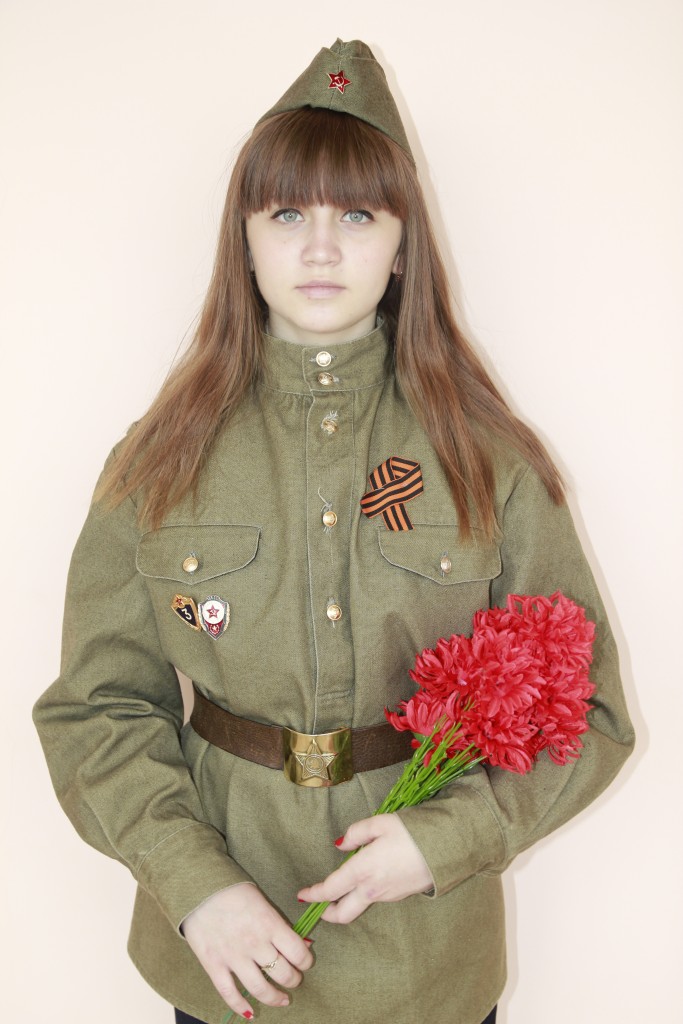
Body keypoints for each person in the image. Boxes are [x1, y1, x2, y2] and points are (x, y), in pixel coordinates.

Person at [33, 39, 634, 1024]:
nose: (320, 248)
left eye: (355, 215)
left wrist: (448, 838)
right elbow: (96, 707)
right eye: (286, 214)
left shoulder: (489, 460)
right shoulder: (158, 458)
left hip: (426, 964)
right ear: (244, 240)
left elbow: (586, 706)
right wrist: (194, 886)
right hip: (224, 962)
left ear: (401, 245)